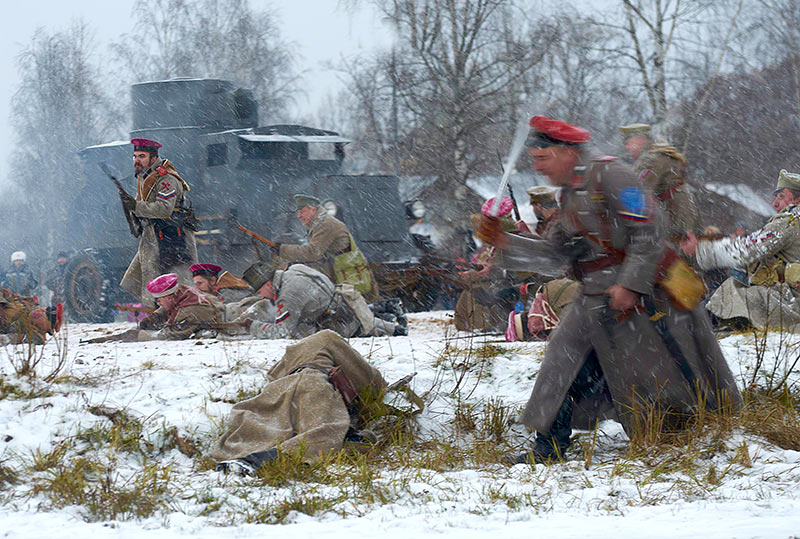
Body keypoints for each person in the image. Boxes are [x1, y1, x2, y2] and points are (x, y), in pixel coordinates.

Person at [477, 115, 741, 464]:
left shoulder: (611, 175)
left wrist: (630, 284)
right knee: (561, 361)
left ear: (566, 152)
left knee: (664, 378)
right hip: (594, 296)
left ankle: (692, 432)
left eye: (542, 158)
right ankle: (549, 445)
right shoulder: (570, 193)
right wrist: (505, 242)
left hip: (646, 295)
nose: (537, 167)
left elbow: (649, 231)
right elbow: (557, 254)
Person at [210, 330, 387, 475]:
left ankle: (243, 456)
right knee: (326, 432)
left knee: (264, 428)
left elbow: (272, 375)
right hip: (313, 383)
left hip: (280, 387)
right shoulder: (329, 338)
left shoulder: (291, 352)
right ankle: (267, 459)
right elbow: (369, 379)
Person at [681, 169, 800, 331]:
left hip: (790, 306)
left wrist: (701, 249)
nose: (775, 203)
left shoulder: (789, 222)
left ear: (797, 199)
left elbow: (746, 250)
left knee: (728, 296)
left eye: (781, 196)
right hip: (788, 304)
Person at [120, 138, 197, 305]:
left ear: (153, 158)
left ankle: (173, 310)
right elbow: (143, 204)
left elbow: (164, 209)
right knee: (141, 277)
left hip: (172, 235)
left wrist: (136, 206)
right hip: (153, 236)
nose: (137, 160)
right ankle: (155, 309)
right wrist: (132, 206)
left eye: (142, 156)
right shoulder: (145, 176)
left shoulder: (166, 179)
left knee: (176, 279)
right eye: (135, 156)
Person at [240, 261, 405, 340]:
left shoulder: (288, 295)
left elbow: (282, 332)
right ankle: (394, 327)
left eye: (260, 291)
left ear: (269, 284)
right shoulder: (295, 270)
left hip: (338, 324)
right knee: (366, 323)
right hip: (346, 307)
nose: (262, 296)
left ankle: (393, 327)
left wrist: (253, 326)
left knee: (300, 333)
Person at [274, 194, 377, 300]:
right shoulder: (318, 223)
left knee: (357, 308)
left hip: (350, 278)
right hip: (346, 275)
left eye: (302, 212)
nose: (299, 216)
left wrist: (281, 249)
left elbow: (313, 252)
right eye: (298, 212)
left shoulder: (325, 224)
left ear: (313, 209)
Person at [619, 123, 701, 243]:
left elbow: (638, 192)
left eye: (628, 143)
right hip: (680, 211)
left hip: (676, 215)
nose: (626, 147)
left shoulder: (651, 159)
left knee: (676, 250)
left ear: (639, 140)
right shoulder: (657, 154)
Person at [453, 197, 519, 333]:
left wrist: (474, 274)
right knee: (473, 289)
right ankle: (473, 325)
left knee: (479, 288)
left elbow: (504, 269)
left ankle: (482, 326)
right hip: (501, 286)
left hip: (509, 289)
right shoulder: (499, 241)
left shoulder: (512, 238)